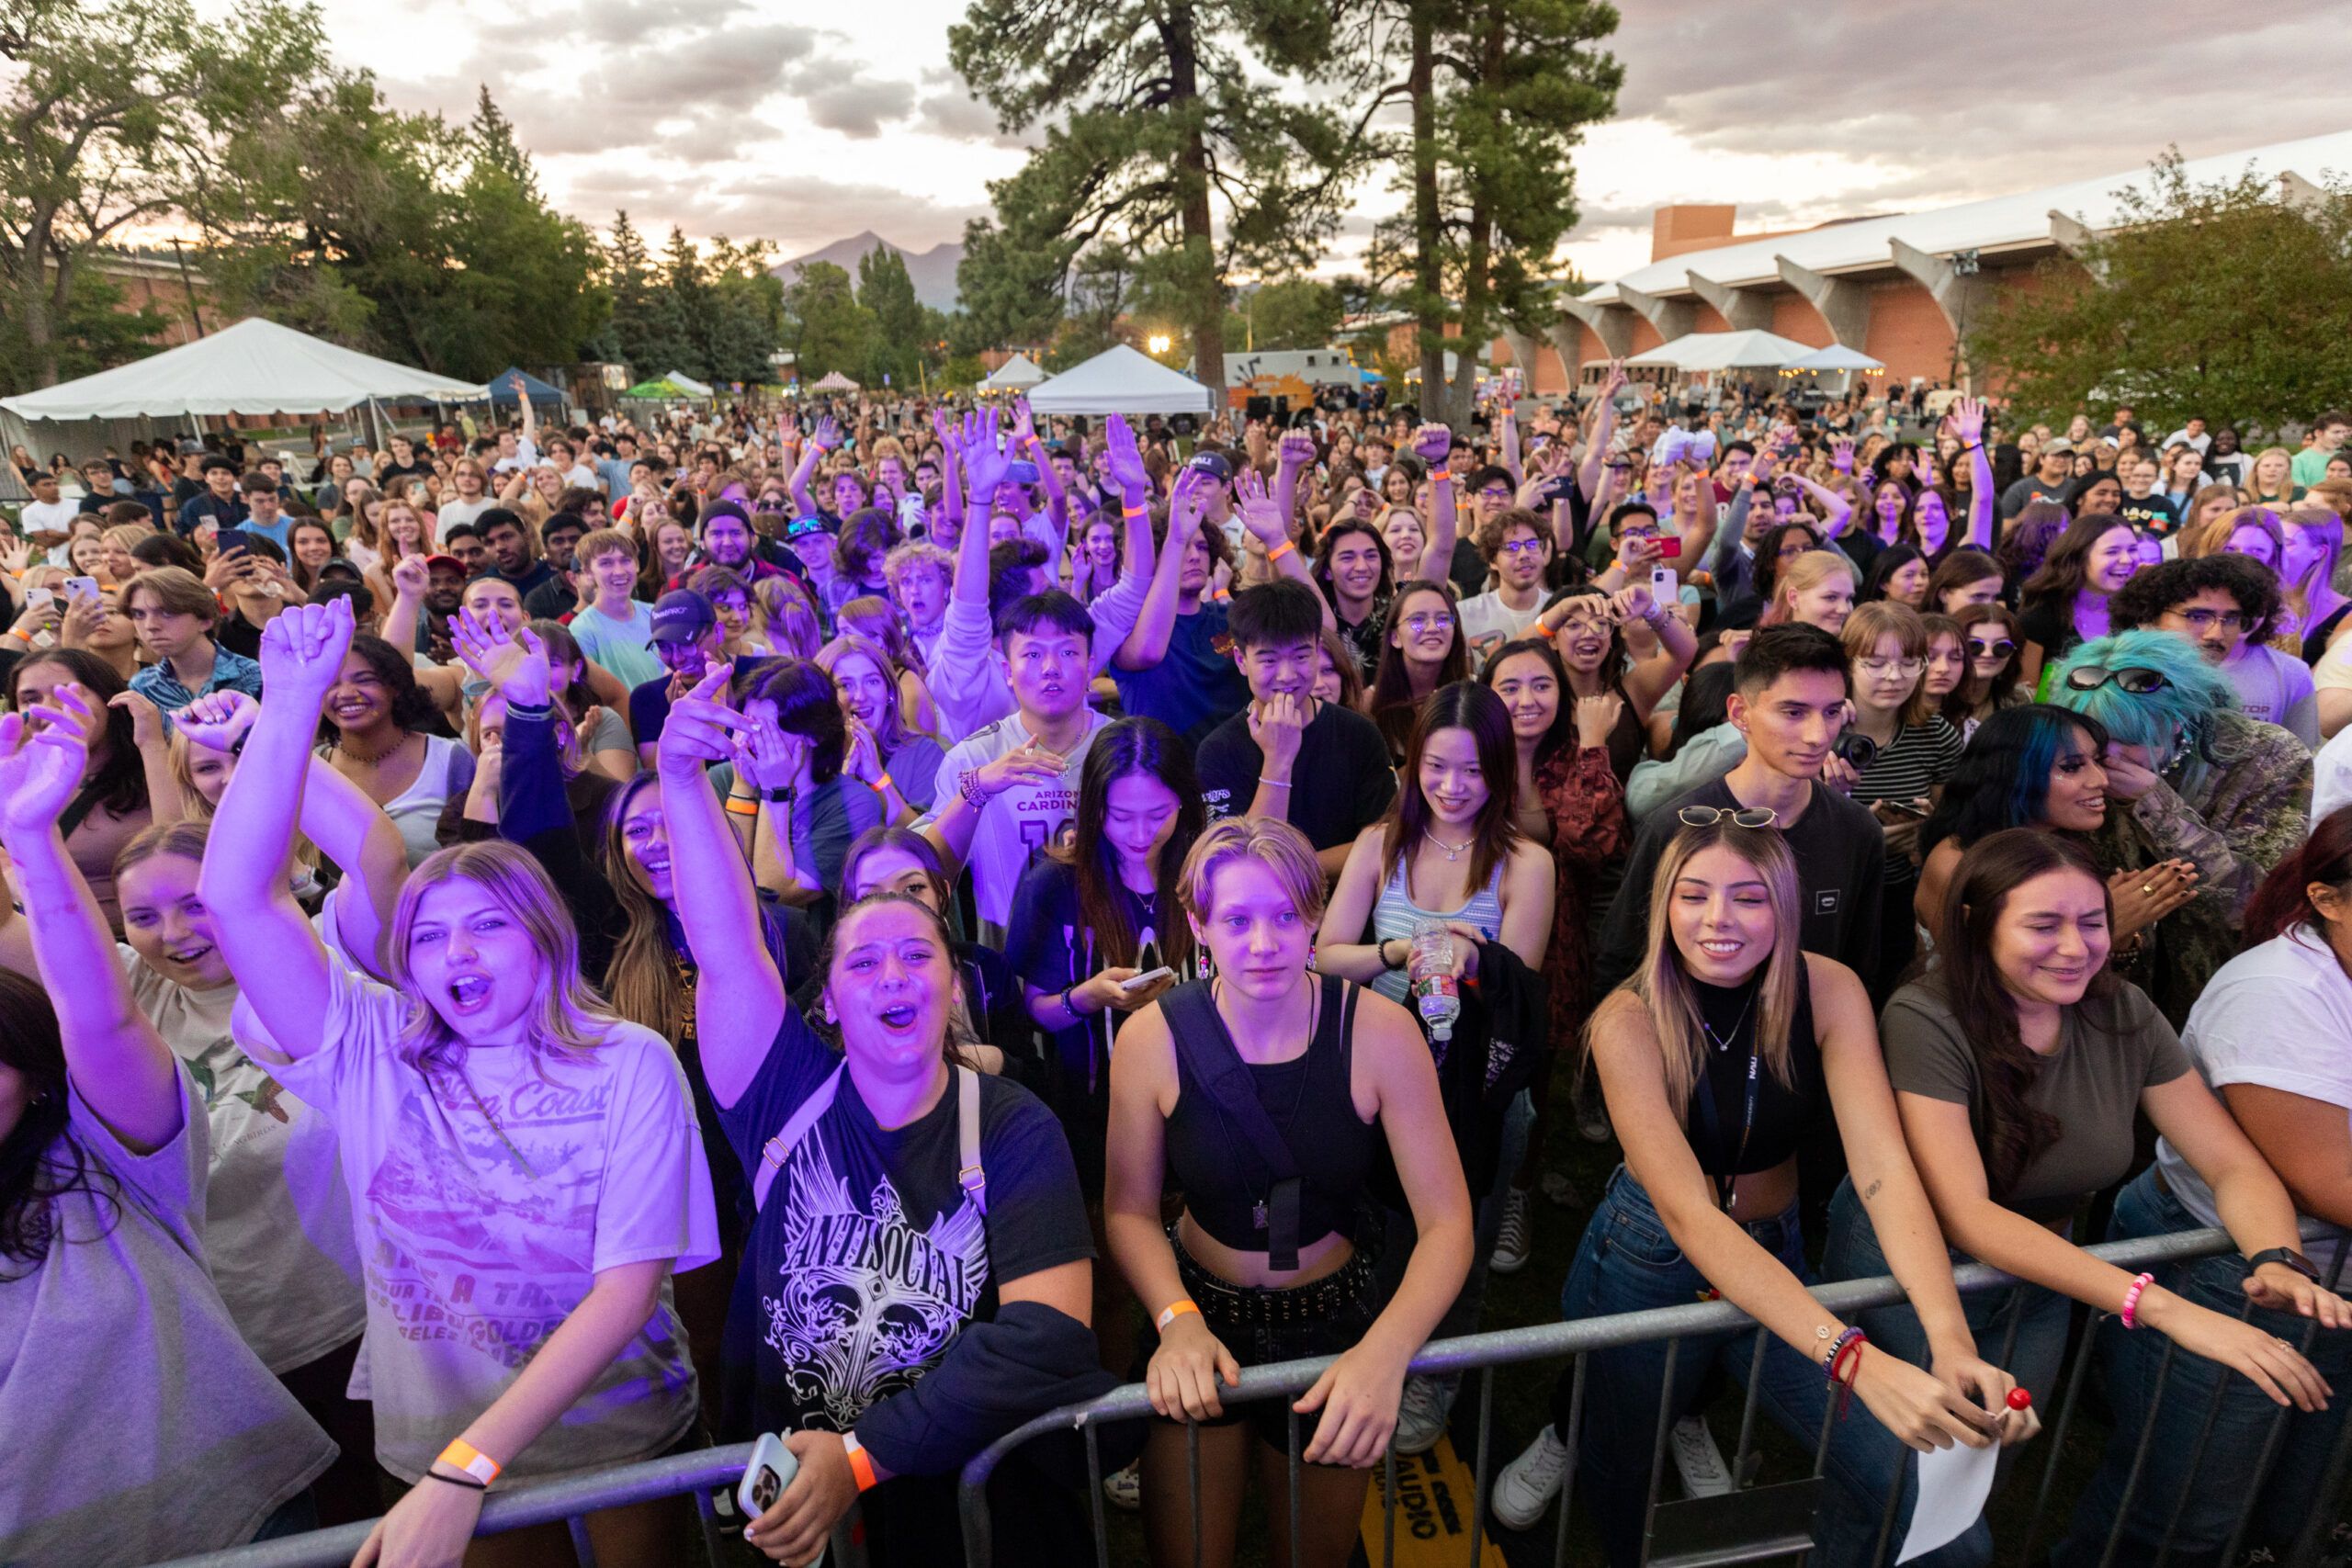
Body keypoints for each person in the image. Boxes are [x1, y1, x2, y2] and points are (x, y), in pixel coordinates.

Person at [204, 598, 720, 1567]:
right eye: (431, 935)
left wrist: (469, 1466)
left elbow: (625, 1291)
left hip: (616, 1440)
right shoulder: (372, 1047)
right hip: (435, 1447)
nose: (458, 953)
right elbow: (239, 898)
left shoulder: (627, 1060)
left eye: (487, 925)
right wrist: (286, 706)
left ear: (544, 938)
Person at [656, 665, 1115, 1567]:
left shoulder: (1013, 1126)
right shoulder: (785, 1096)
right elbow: (727, 948)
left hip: (971, 1517)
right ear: (826, 1000)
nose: (893, 975)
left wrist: (861, 1458)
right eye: (863, 963)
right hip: (801, 1518)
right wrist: (679, 778)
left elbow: (1048, 1334)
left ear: (955, 987)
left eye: (918, 954)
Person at [1491, 818, 2027, 1560]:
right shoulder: (1626, 1019)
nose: (1719, 919)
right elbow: (1688, 1214)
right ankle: (1588, 1458)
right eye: (1694, 895)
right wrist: (1854, 1358)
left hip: (1774, 1252)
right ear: (1664, 905)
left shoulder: (1829, 988)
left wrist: (1949, 1337)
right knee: (1620, 1454)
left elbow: (1882, 1166)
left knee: (1920, 1499)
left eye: (1748, 897)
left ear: (1785, 906)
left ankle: (1684, 1414)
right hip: (1650, 1256)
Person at [1851, 829, 2343, 1568]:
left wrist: (2274, 1256)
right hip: (1916, 1273)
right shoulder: (1927, 1017)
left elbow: (2231, 1161)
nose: (2075, 947)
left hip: (2042, 1274)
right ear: (1977, 925)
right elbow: (1968, 1213)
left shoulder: (2124, 1010)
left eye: (2091, 922)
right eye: (2043, 924)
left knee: (1981, 1472)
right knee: (1907, 1496)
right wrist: (2169, 1308)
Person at [0, 701, 337, 1566]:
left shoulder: (101, 1164)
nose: (174, 934)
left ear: (32, 1067)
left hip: (233, 1515)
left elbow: (99, 1016)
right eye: (146, 915)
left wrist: (32, 841)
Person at [1104, 817, 1474, 1568]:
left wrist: (1385, 1352)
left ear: (1315, 915)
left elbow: (1449, 1223)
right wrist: (1176, 1320)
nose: (1264, 943)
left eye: (1284, 915)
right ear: (1199, 926)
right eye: (1237, 920)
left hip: (1333, 1323)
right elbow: (1127, 1209)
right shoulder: (1150, 1039)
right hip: (1199, 1314)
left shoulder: (1381, 1032)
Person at [2075, 809, 2352, 1562]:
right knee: (2183, 1514)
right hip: (2235, 1272)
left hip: (2320, 1281)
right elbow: (2329, 1181)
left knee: (2291, 1499)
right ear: (2328, 899)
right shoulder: (2278, 993)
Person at [1596, 626, 1886, 998]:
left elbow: (1863, 970)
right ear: (1740, 712)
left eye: (1832, 712)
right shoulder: (1675, 827)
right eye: (1794, 712)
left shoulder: (1857, 831)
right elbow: (1620, 966)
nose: (1817, 735)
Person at [2047, 630, 2312, 1023]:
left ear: (2180, 720)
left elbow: (2259, 904)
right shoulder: (2072, 761)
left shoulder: (2265, 757)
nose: (2109, 758)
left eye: (2129, 739)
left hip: (2227, 996)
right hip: (2108, 996)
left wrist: (2154, 803)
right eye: (2096, 741)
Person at [1481, 633, 1630, 1261]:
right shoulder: (1467, 753)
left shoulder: (1575, 760)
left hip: (1552, 941)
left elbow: (1591, 844)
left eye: (1541, 685)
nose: (1526, 699)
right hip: (1471, 923)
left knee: (1530, 1072)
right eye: (1509, 686)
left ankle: (1517, 1189)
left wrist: (1593, 744)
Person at [926, 591, 1115, 943]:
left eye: (1068, 652)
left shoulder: (1125, 748)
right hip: (1012, 959)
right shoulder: (973, 758)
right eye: (1032, 654)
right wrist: (975, 790)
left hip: (1115, 948)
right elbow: (928, 874)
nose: (1050, 668)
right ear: (1007, 671)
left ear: (1090, 666)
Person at [1194, 579, 1396, 878]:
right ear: (1241, 660)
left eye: (1301, 656)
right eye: (1269, 660)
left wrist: (1296, 869)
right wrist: (1278, 760)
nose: (1287, 675)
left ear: (1317, 649)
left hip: (1349, 901)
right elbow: (1244, 869)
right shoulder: (1218, 751)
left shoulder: (1359, 735)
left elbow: (1386, 842)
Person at [6, 649, 153, 931]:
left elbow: (182, 850)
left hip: (132, 943)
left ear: (109, 698)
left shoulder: (154, 767)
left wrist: (153, 746)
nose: (49, 707)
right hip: (41, 938)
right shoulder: (16, 783)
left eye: (67, 692)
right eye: (31, 699)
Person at [2109, 552, 2319, 745]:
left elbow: (2300, 760)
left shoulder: (2290, 674)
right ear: (2150, 618)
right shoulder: (2110, 676)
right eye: (2198, 617)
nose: (2216, 634)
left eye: (2231, 619)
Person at [121, 565, 266, 712]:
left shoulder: (257, 677)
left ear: (205, 620)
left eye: (167, 613)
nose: (150, 625)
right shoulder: (143, 685)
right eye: (139, 614)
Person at [2017, 513, 2139, 684]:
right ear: (2078, 557)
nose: (2127, 560)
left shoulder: (2138, 613)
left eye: (2132, 550)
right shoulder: (2040, 618)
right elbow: (2026, 692)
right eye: (2112, 551)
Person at [1363, 579, 1469, 760]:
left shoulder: (1474, 691)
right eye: (1418, 620)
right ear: (1395, 637)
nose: (1432, 628)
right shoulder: (1369, 703)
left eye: (1443, 619)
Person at [565, 525, 662, 687]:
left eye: (626, 560)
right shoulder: (582, 630)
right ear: (588, 571)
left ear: (637, 564)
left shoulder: (655, 614)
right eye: (606, 563)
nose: (619, 571)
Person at [1758, 548, 1858, 636]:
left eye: (1848, 599)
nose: (1844, 609)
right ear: (1793, 598)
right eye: (1831, 597)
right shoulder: (1767, 650)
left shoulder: (1851, 647)